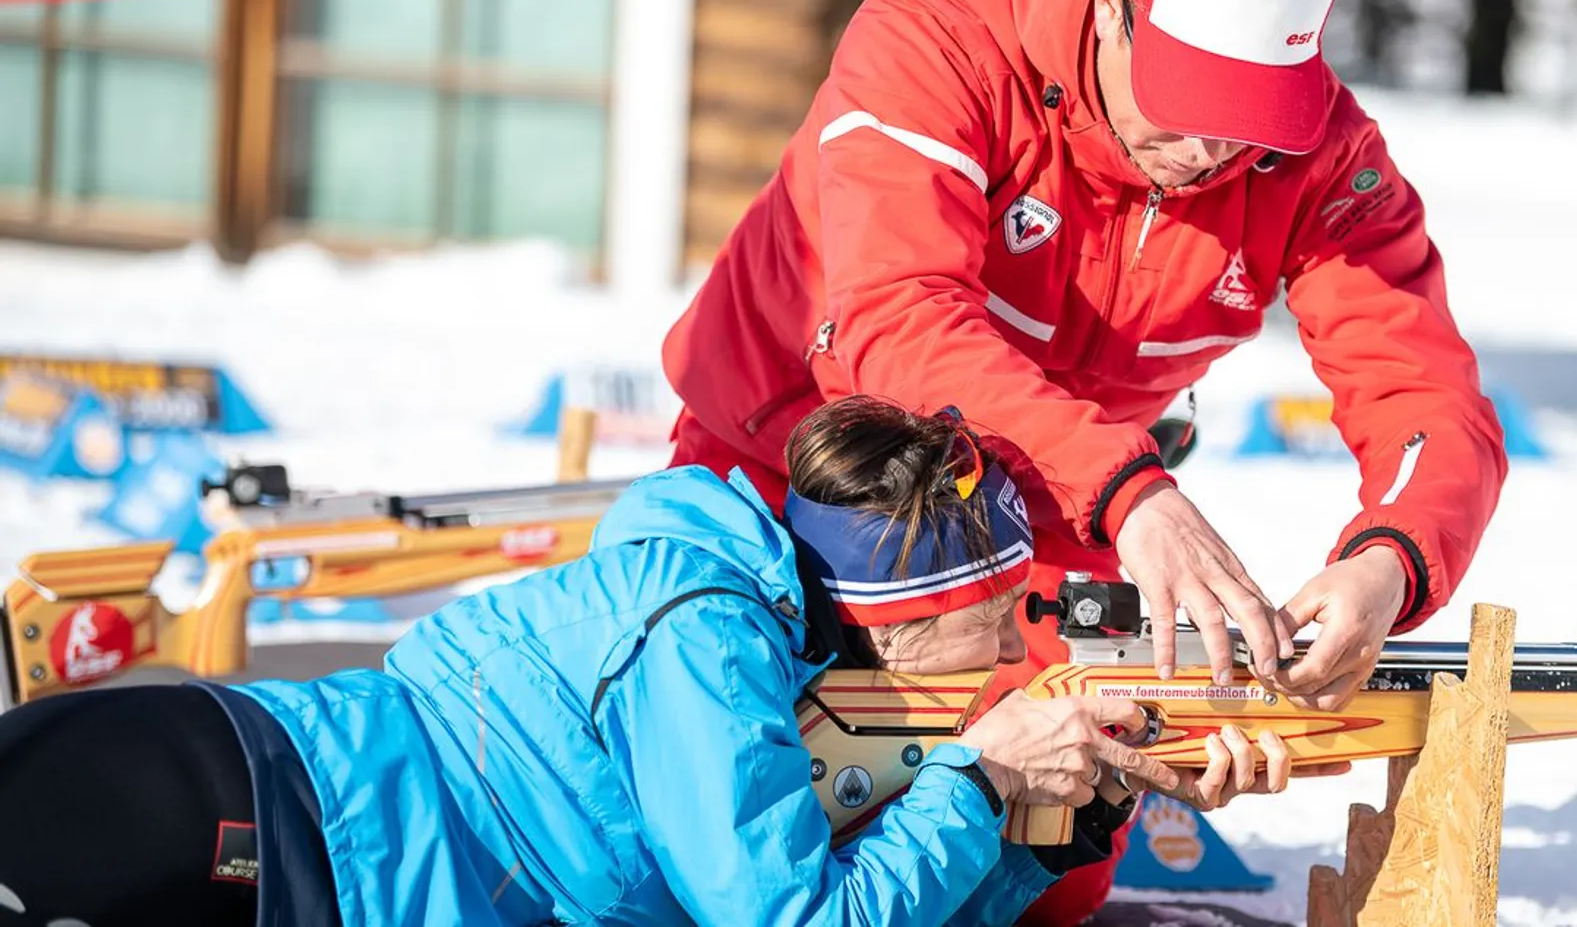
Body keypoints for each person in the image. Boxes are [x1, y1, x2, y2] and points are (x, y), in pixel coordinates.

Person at [660, 0, 1508, 921]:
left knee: (1049, 854)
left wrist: (1386, 563)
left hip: (1042, 518)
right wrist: (1133, 490)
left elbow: (1422, 388)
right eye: (1185, 100)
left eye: (1246, 122)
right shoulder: (934, 36)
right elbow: (893, 314)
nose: (1203, 150)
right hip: (784, 472)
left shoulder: (1322, 155)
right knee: (728, 841)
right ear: (1112, 5)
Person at [0, 397, 1309, 927]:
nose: (1006, 662)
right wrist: (975, 782)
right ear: (896, 625)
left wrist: (1057, 823)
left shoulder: (789, 650)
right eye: (991, 632)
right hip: (267, 812)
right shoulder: (705, 631)